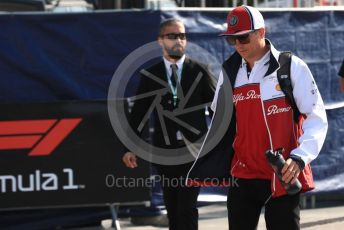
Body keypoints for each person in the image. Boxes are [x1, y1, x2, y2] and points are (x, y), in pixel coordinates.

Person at [201, 5, 328, 230]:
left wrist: (299, 158)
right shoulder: (229, 71)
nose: (238, 45)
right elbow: (219, 119)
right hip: (243, 175)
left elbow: (316, 116)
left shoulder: (291, 67)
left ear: (261, 32)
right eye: (232, 40)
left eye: (243, 38)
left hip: (282, 174)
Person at [122, 19, 215, 230]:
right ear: (161, 41)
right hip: (166, 152)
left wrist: (220, 141)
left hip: (194, 151)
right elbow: (139, 114)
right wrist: (130, 147)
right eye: (172, 36)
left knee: (187, 207)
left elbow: (217, 107)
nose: (179, 40)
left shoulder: (200, 70)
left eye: (182, 36)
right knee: (173, 207)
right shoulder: (151, 75)